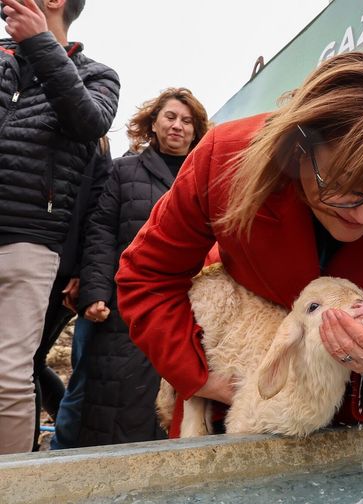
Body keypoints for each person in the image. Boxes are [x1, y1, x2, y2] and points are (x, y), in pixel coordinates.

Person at [114, 51, 363, 438]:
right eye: (342, 186)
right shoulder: (225, 157)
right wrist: (202, 378)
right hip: (227, 411)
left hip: (353, 423)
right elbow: (146, 276)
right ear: (299, 147)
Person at [0, 0, 120, 455]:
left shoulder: (97, 75)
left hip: (32, 243)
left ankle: (11, 484)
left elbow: (89, 122)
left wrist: (89, 280)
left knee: (10, 374)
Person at [74, 88, 209, 447]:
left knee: (181, 398)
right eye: (170, 117)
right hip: (126, 303)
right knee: (116, 398)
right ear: (154, 122)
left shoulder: (205, 174)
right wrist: (96, 291)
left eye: (186, 120)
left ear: (197, 131)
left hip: (191, 305)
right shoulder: (123, 171)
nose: (177, 126)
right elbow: (101, 231)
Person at [33, 136, 111, 451]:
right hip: (27, 254)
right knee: (27, 362)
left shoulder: (96, 145)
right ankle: (63, 424)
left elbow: (97, 215)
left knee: (28, 363)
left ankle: (29, 450)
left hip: (63, 273)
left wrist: (82, 271)